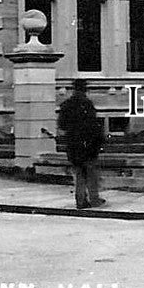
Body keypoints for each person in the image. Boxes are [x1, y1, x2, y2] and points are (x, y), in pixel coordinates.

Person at [57, 79, 105, 208]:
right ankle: (94, 199)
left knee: (79, 174)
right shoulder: (87, 104)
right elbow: (94, 126)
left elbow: (61, 125)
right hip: (88, 145)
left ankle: (80, 200)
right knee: (91, 174)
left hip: (73, 145)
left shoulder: (66, 105)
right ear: (85, 90)